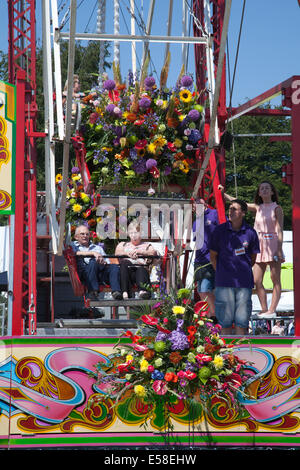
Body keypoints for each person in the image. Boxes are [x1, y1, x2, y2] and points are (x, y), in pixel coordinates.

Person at [219, 181, 284, 319]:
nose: (265, 190)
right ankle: (264, 309)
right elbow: (238, 203)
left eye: (268, 188)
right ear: (259, 193)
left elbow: (280, 229)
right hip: (259, 244)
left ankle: (272, 310)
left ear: (272, 192)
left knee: (275, 278)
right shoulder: (258, 207)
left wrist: (279, 249)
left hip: (272, 243)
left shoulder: (277, 208)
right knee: (256, 279)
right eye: (262, 188)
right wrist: (223, 193)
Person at [209, 199, 260, 335]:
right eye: (230, 208)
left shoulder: (251, 232)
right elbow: (213, 256)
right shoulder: (219, 230)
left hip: (244, 282)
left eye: (234, 209)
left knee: (242, 322)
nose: (230, 211)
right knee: (224, 322)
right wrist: (221, 272)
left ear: (243, 213)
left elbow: (253, 259)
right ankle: (225, 355)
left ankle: (242, 353)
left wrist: (241, 270)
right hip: (223, 282)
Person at [71, 224, 122, 301]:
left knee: (113, 266)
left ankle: (116, 292)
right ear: (76, 237)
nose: (85, 236)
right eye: (82, 234)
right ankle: (93, 292)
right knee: (92, 262)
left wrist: (103, 262)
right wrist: (93, 253)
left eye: (87, 234)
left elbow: (107, 262)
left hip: (100, 273)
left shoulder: (98, 248)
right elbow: (75, 253)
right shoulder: (73, 245)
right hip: (86, 274)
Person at [115, 221, 159, 299]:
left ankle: (143, 291)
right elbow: (117, 253)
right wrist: (127, 254)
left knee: (141, 268)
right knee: (125, 262)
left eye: (136, 233)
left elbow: (153, 253)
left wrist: (140, 252)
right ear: (128, 234)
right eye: (131, 233)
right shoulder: (123, 244)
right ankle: (124, 291)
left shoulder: (147, 245)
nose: (134, 235)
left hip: (140, 272)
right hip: (127, 272)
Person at [193, 198, 219, 318]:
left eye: (198, 204)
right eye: (194, 206)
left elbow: (224, 230)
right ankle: (210, 315)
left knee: (205, 289)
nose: (196, 207)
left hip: (211, 259)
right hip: (199, 259)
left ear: (204, 204)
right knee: (200, 291)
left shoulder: (214, 214)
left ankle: (214, 316)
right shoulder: (195, 222)